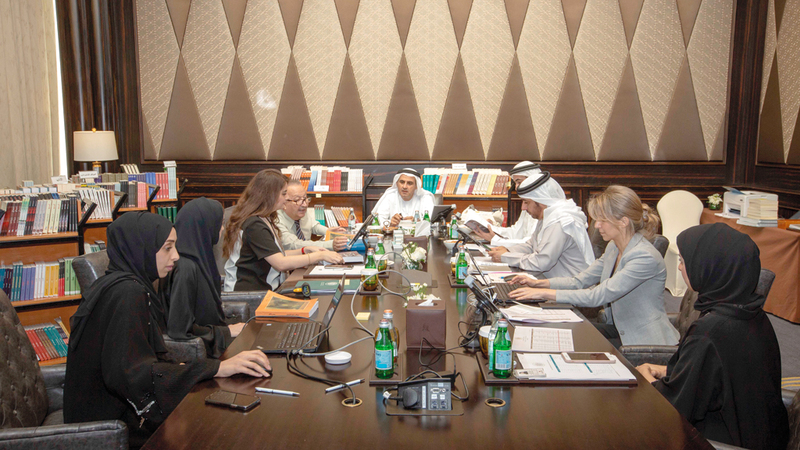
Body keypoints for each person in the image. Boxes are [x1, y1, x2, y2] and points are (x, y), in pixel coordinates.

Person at [64, 212, 271, 448]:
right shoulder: (128, 294)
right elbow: (134, 375)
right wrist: (218, 367)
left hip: (113, 415)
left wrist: (196, 369)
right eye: (167, 248)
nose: (176, 256)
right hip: (110, 428)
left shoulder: (120, 284)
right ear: (141, 249)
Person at [636, 223, 789, 449]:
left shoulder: (711, 332)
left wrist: (645, 378)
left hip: (723, 442)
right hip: (760, 434)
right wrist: (668, 371)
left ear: (709, 268)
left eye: (684, 261)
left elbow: (672, 408)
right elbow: (721, 375)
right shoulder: (752, 314)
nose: (680, 267)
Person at [508, 185, 679, 347]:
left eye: (602, 220)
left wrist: (543, 293)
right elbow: (579, 281)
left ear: (623, 222)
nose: (597, 225)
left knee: (571, 343)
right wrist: (538, 284)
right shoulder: (614, 247)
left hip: (642, 341)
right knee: (558, 333)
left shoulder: (644, 256)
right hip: (619, 329)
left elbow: (597, 295)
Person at [223, 169, 343, 292]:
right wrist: (319, 256)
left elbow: (276, 254)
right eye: (284, 194)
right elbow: (280, 263)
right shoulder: (254, 225)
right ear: (270, 195)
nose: (286, 198)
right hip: (248, 294)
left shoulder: (266, 218)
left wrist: (304, 250)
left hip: (265, 290)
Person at [160, 197, 243, 358]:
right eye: (219, 223)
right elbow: (180, 329)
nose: (222, 228)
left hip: (210, 344)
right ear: (205, 226)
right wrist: (226, 331)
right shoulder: (185, 268)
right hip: (202, 355)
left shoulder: (200, 258)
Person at [488, 172, 594, 278]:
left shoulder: (560, 221)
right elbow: (531, 245)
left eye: (526, 202)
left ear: (540, 201)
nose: (523, 208)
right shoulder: (547, 216)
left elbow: (541, 262)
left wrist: (506, 257)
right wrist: (508, 250)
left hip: (571, 285)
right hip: (550, 281)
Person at [472, 161, 541, 246]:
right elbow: (515, 232)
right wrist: (491, 228)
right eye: (515, 183)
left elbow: (529, 243)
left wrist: (495, 240)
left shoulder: (540, 206)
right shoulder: (527, 202)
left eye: (519, 182)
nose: (516, 187)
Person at [276, 180, 348, 251]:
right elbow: (294, 244)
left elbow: (313, 225)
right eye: (297, 200)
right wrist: (329, 245)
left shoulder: (300, 211)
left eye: (305, 199)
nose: (305, 205)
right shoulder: (276, 220)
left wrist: (327, 231)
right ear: (284, 201)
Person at [371, 168, 436, 227]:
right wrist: (390, 223)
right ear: (397, 183)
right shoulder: (390, 196)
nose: (404, 186)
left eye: (409, 183)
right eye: (402, 182)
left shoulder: (425, 197)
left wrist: (417, 222)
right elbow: (379, 220)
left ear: (416, 186)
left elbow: (432, 222)